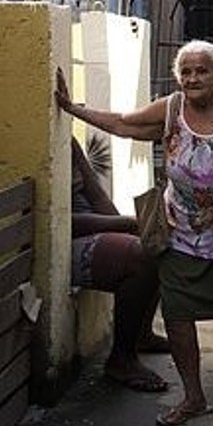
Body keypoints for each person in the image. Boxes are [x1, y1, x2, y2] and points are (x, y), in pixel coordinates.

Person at [55, 40, 213, 426]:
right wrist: (72, 109)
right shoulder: (169, 110)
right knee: (179, 311)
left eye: (202, 70)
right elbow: (122, 123)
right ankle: (194, 397)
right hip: (185, 233)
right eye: (186, 71)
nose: (193, 78)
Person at [69, 138, 170, 393]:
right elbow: (59, 220)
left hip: (89, 230)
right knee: (140, 258)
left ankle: (142, 335)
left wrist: (133, 226)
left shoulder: (66, 142)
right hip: (64, 241)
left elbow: (97, 195)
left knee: (155, 243)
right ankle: (121, 359)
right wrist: (124, 224)